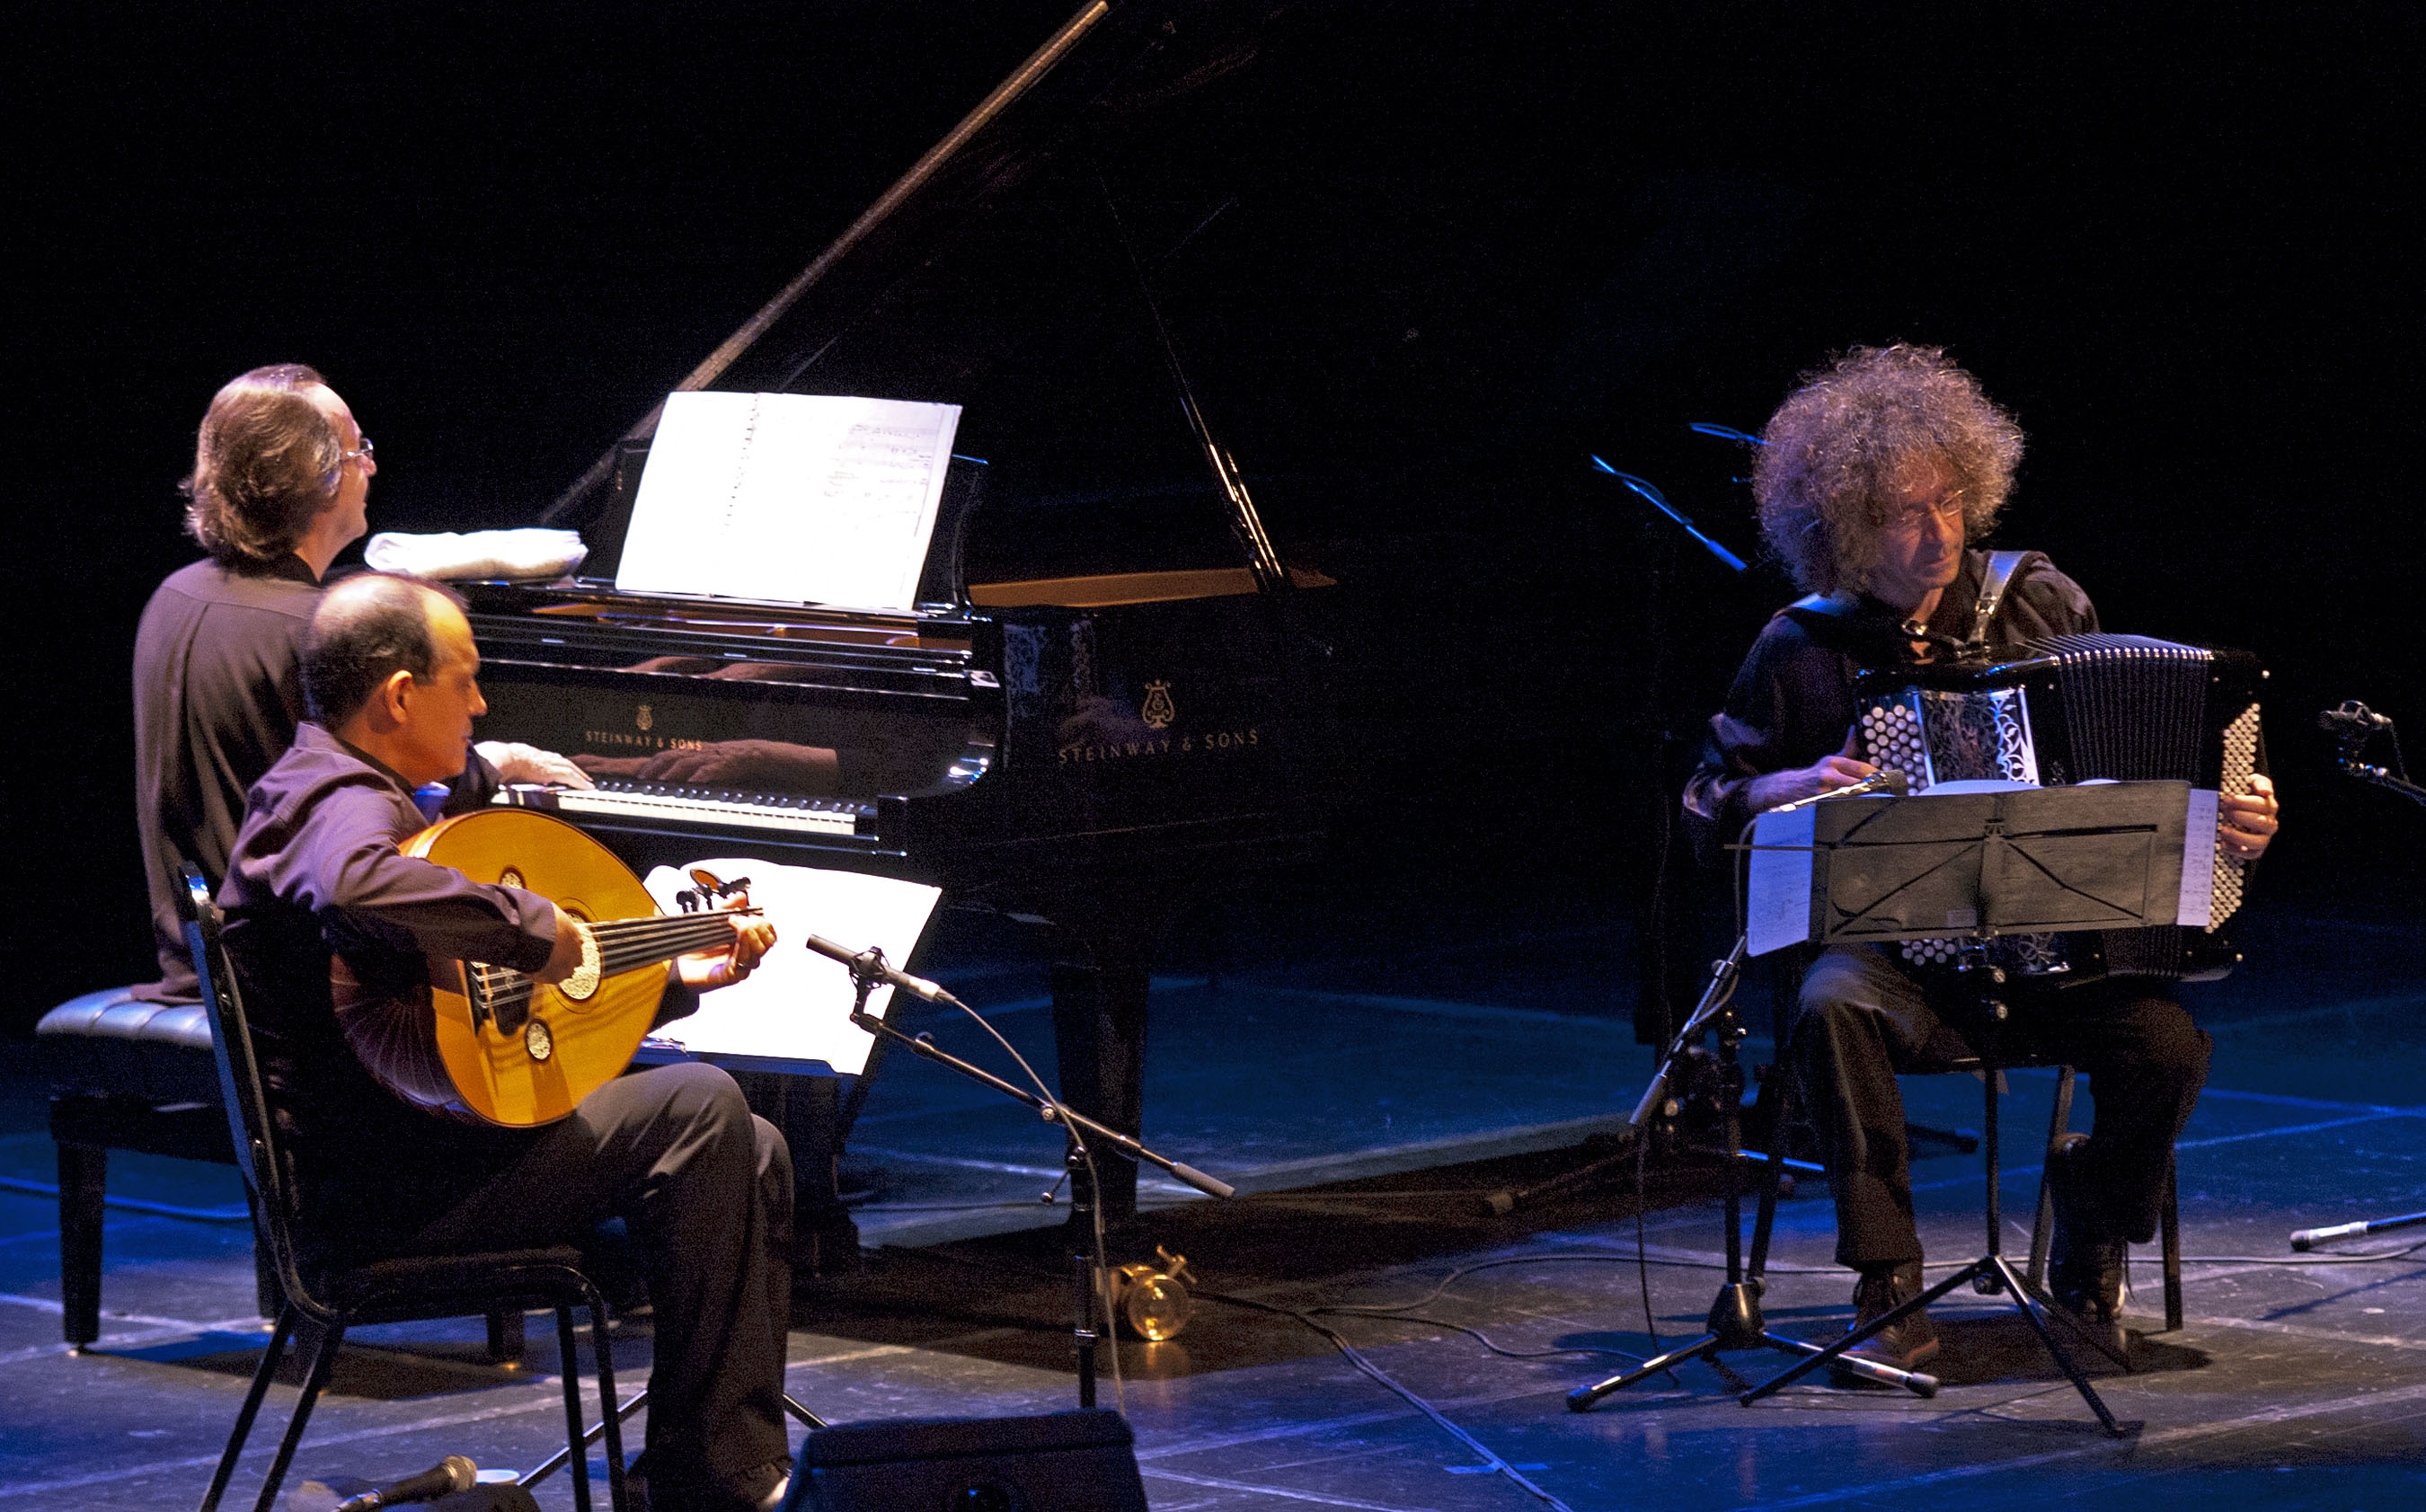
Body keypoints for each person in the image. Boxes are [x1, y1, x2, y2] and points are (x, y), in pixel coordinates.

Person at [1683, 344, 2281, 1368]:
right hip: (1894, 958)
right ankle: (1889, 1282)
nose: (1939, 534)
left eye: (1952, 502)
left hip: (2051, 952)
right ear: (1845, 533)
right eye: (1907, 515)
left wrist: (2233, 815)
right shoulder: (1802, 646)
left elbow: (2137, 771)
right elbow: (1707, 803)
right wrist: (1782, 788)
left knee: (2169, 1045)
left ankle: (2090, 1225)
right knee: (1829, 1004)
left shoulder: (2042, 608)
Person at [218, 572, 793, 1512]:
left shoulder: (351, 789)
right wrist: (537, 925)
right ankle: (722, 1481)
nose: (483, 704)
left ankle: (702, 1472)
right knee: (701, 1103)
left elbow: (474, 1022)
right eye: (467, 679)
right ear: (399, 695)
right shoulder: (335, 803)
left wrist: (669, 978)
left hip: (426, 1152)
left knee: (753, 1151)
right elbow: (358, 886)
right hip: (387, 1198)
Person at [134, 365, 584, 1001]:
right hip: (299, 989)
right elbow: (374, 796)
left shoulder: (171, 597)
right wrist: (493, 766)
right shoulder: (314, 632)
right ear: (311, 478)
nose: (370, 467)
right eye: (358, 451)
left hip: (197, 966)